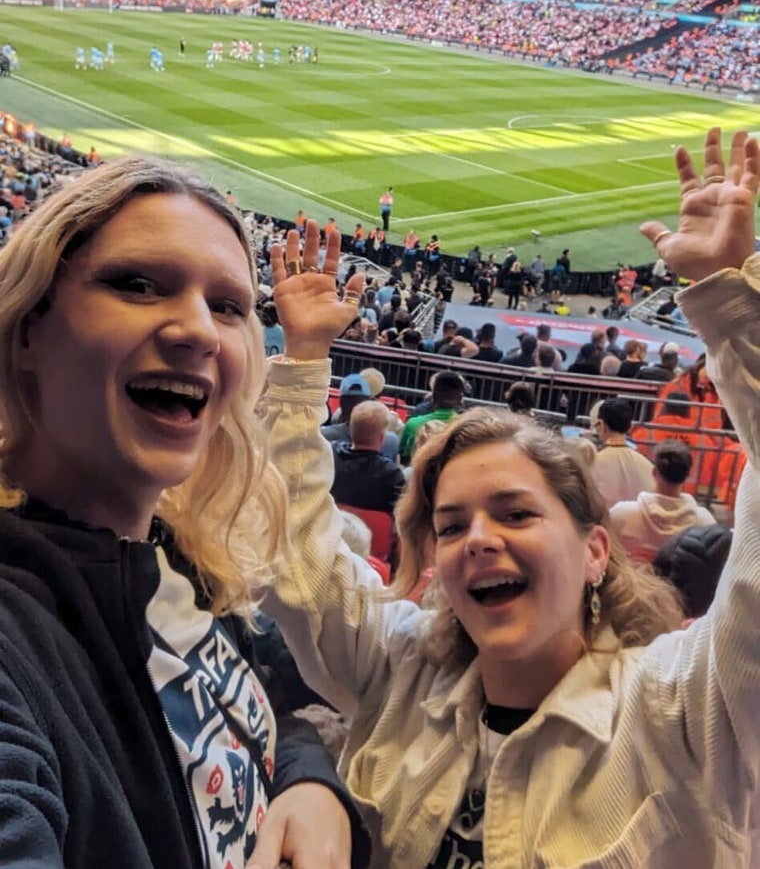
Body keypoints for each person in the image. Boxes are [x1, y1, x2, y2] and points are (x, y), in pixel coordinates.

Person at [261, 126, 760, 866]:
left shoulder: (683, 709)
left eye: (516, 512)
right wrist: (301, 361)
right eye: (451, 525)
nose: (478, 538)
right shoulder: (400, 668)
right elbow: (299, 561)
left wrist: (731, 308)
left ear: (597, 549)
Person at [0, 158, 370, 868]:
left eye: (229, 306)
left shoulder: (180, 558)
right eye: (138, 284)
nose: (199, 330)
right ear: (27, 330)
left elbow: (254, 710)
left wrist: (309, 780)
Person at [609, 439, 716, 563]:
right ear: (687, 475)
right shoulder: (705, 523)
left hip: (630, 581)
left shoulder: (621, 515)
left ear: (654, 472)